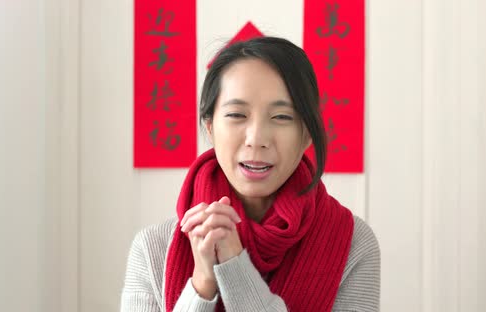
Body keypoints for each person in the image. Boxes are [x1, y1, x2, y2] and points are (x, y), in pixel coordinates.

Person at [121, 36, 380, 312]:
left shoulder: (351, 244)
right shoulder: (152, 249)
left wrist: (235, 267)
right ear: (210, 127)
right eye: (236, 115)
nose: (256, 139)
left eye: (281, 117)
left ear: (307, 134)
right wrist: (202, 284)